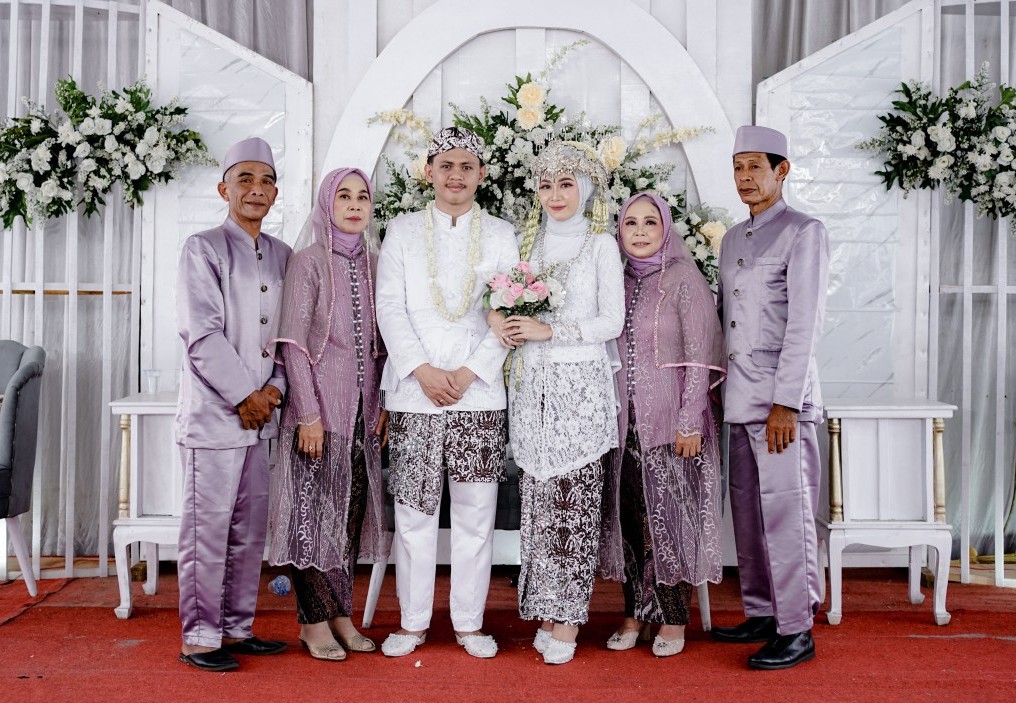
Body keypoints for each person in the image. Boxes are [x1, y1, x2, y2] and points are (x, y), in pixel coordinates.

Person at [374, 126, 519, 659]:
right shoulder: (402, 231)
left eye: (466, 166)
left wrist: (469, 373)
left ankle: (469, 623)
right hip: (414, 393)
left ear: (482, 174)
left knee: (476, 512)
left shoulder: (501, 234)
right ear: (429, 172)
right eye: (446, 166)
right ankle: (412, 623)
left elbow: (512, 308)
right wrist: (421, 370)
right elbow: (389, 307)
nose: (456, 176)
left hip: (477, 395)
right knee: (413, 511)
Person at [492, 141, 624, 665]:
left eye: (565, 184)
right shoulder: (528, 243)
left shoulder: (600, 246)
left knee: (575, 505)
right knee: (540, 508)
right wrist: (507, 325)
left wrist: (551, 330)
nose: (555, 195)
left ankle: (568, 619)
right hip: (532, 393)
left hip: (579, 393)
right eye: (545, 185)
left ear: (585, 188)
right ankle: (545, 612)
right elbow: (501, 303)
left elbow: (611, 321)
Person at [711, 125, 829, 670]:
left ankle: (797, 628)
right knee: (748, 515)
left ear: (782, 171)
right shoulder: (733, 239)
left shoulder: (803, 232)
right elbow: (726, 320)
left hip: (781, 405)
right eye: (737, 167)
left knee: (787, 514)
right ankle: (762, 613)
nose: (744, 177)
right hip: (739, 399)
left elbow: (805, 323)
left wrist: (788, 402)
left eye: (755, 166)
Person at [175, 137, 292, 672]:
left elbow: (290, 338)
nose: (256, 190)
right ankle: (200, 637)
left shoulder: (284, 255)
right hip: (214, 416)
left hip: (262, 417)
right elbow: (201, 334)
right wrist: (246, 395)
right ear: (224, 189)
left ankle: (238, 628)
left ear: (275, 194)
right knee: (208, 529)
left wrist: (275, 391)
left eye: (266, 181)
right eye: (245, 179)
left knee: (248, 530)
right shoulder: (202, 248)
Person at [266, 167, 389, 661]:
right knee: (311, 518)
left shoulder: (377, 265)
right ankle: (313, 624)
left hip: (363, 414)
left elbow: (385, 347)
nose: (355, 205)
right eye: (344, 196)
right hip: (317, 415)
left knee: (348, 519)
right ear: (326, 203)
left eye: (362, 197)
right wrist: (308, 415)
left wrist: (381, 405)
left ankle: (341, 615)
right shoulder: (308, 262)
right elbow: (294, 345)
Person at [600, 192, 726, 658]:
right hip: (622, 425)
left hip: (672, 426)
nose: (639, 231)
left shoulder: (683, 279)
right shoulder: (616, 281)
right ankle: (635, 614)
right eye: (630, 223)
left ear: (665, 229)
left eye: (649, 222)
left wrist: (689, 422)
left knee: (670, 523)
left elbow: (700, 357)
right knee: (631, 522)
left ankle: (672, 619)